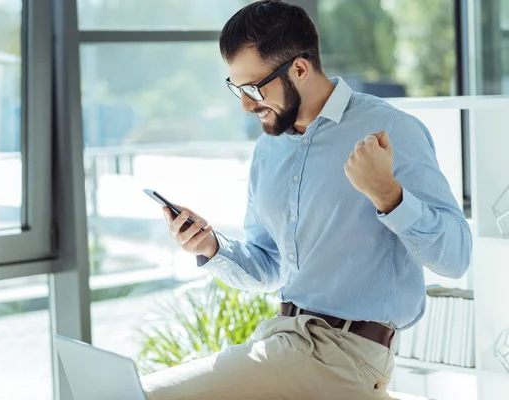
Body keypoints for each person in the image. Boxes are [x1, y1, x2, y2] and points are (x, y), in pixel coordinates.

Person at [140, 1, 472, 399]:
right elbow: (270, 269)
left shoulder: (391, 130)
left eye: (253, 88)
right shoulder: (269, 149)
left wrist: (389, 196)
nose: (245, 104)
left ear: (299, 68)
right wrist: (211, 247)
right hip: (282, 342)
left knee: (147, 395)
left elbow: (456, 258)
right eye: (235, 88)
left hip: (346, 356)